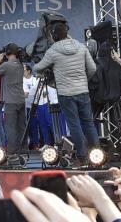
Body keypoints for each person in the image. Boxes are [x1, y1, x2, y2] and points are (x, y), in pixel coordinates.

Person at [34, 23, 98, 161]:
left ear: (55, 36)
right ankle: (97, 156)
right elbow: (92, 68)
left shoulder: (53, 51)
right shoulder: (81, 47)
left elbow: (38, 68)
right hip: (83, 91)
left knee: (74, 125)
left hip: (66, 94)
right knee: (88, 123)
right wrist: (83, 80)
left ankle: (82, 156)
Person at [0, 44, 27, 153]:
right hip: (21, 100)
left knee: (10, 128)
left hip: (11, 101)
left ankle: (12, 151)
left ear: (7, 53)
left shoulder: (7, 65)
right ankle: (23, 150)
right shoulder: (20, 64)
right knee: (21, 127)